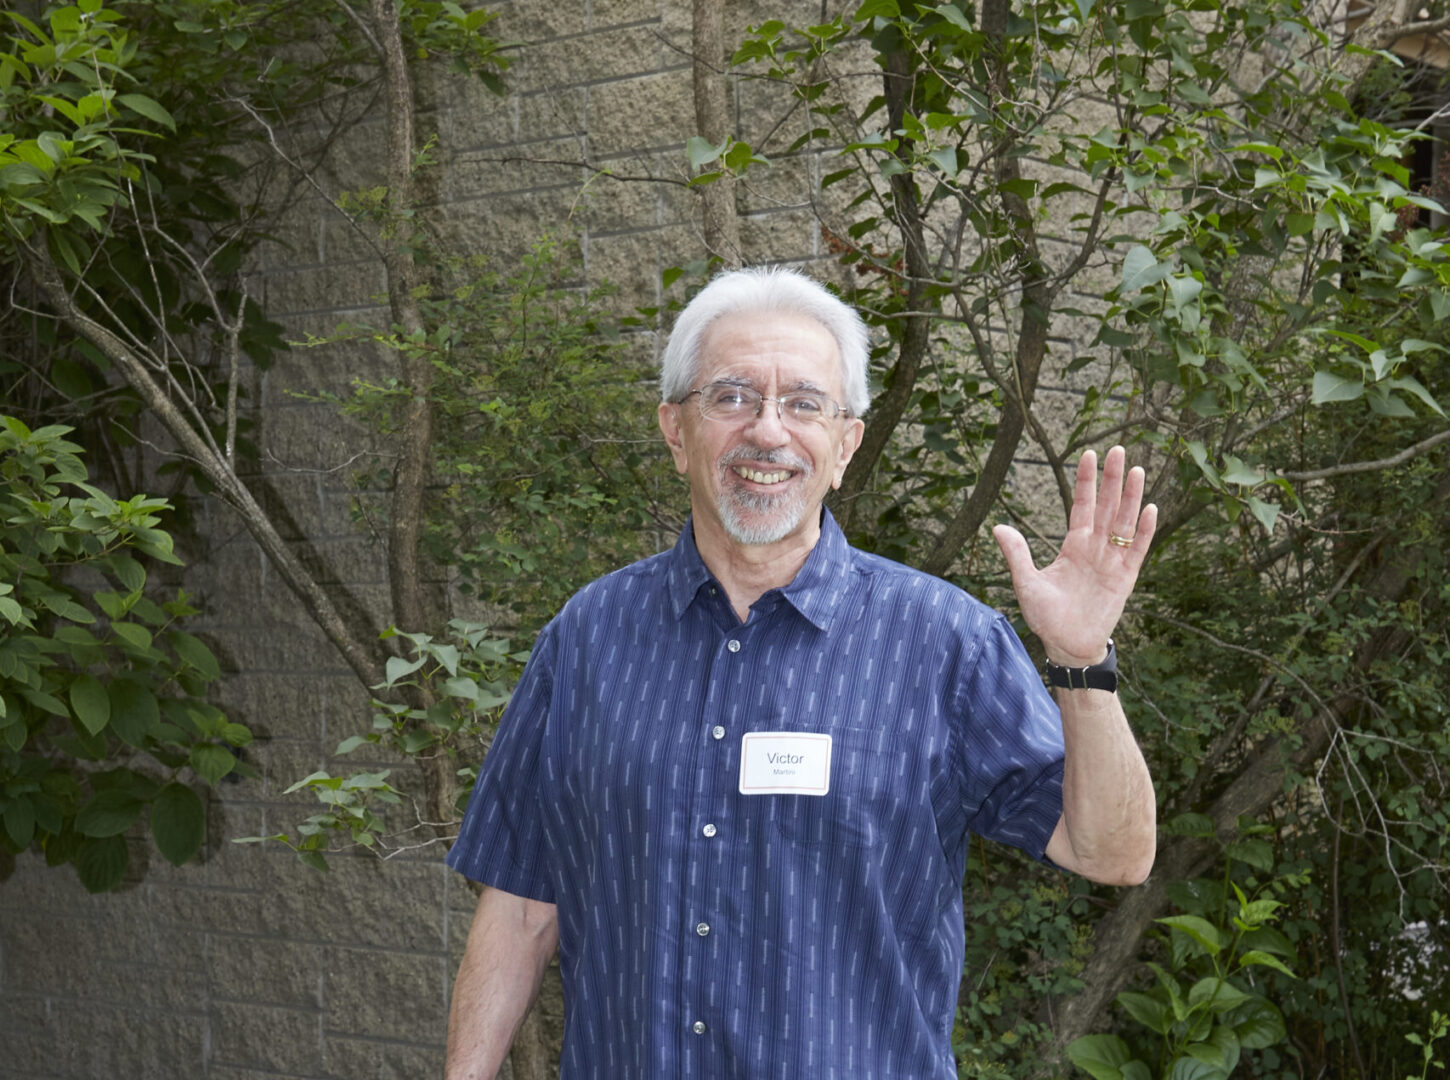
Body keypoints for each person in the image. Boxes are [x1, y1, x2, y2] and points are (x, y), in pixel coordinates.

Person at [444, 267, 1157, 1079]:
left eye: (805, 403)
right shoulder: (587, 638)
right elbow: (522, 906)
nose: (768, 433)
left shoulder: (944, 643)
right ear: (676, 432)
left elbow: (1114, 854)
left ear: (845, 446)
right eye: (733, 397)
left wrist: (1081, 660)